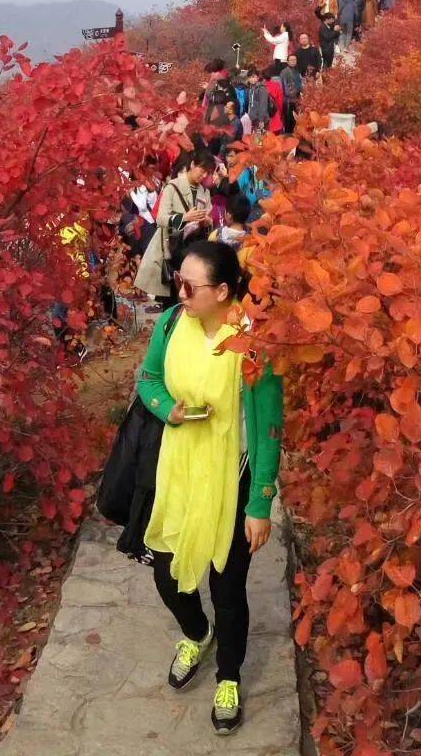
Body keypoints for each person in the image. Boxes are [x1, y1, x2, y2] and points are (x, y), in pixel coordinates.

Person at [139, 241, 284, 735]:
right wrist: (168, 408)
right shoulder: (169, 324)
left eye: (189, 285)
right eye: (177, 280)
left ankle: (229, 676)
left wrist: (260, 500)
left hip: (233, 474)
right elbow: (148, 379)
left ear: (223, 291)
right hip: (179, 467)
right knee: (165, 569)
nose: (179, 291)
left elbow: (268, 426)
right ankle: (196, 634)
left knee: (227, 585)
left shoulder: (251, 341)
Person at [134, 151, 214, 306]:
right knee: (174, 298)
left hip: (194, 248)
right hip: (173, 248)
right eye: (202, 170)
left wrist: (206, 221)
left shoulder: (205, 192)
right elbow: (160, 219)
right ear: (193, 165)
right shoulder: (172, 187)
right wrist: (184, 218)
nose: (204, 176)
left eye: (207, 173)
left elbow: (209, 218)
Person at [278, 53, 303, 134]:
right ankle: (288, 138)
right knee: (288, 121)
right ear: (287, 62)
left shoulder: (297, 71)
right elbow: (283, 87)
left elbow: (300, 84)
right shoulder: (284, 72)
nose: (293, 61)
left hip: (297, 100)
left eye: (294, 60)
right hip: (288, 100)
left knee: (296, 122)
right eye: (291, 60)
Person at [264, 65, 286, 136]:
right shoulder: (276, 86)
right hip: (275, 116)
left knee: (259, 141)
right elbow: (280, 101)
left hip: (262, 119)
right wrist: (279, 112)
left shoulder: (258, 87)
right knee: (276, 141)